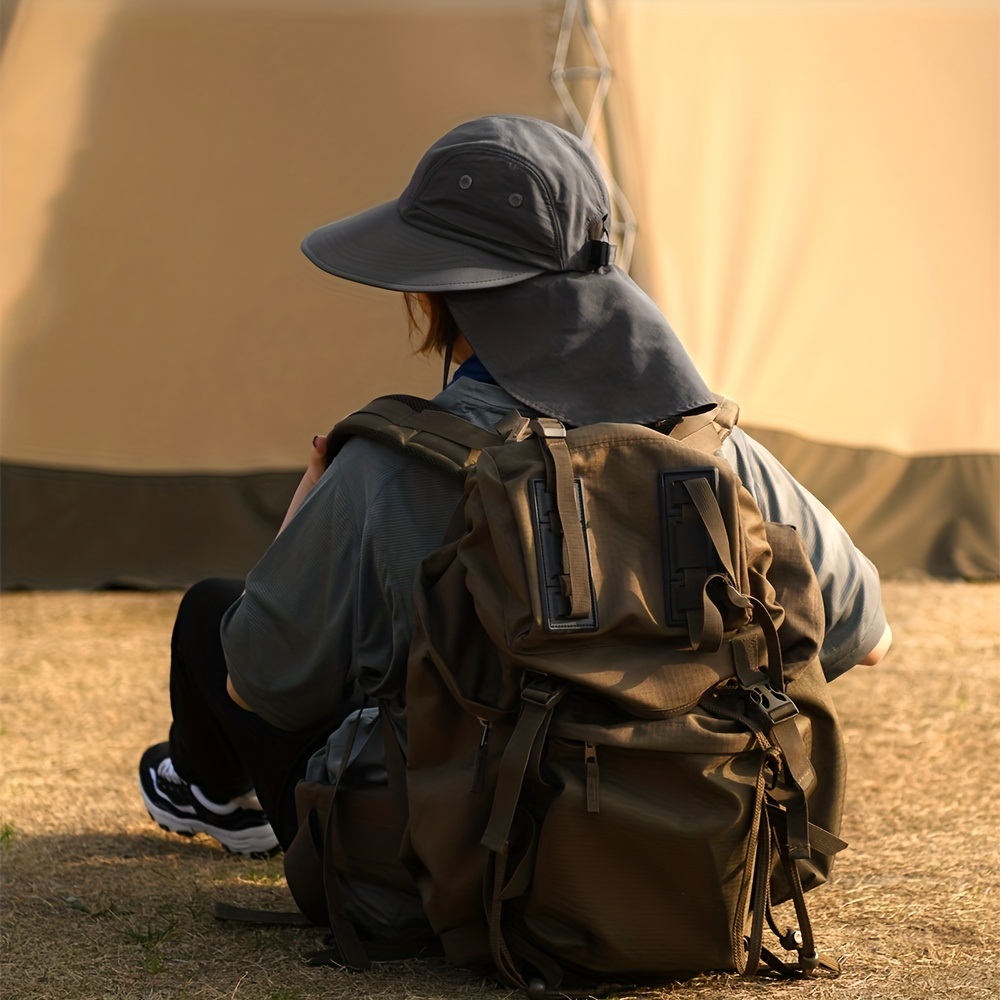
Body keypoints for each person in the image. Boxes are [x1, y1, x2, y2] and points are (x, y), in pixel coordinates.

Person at [139, 115, 891, 871]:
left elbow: (261, 681)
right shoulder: (719, 455)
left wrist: (311, 498)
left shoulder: (385, 470)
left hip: (452, 870)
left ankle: (207, 794)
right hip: (692, 861)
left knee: (213, 611)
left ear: (436, 296)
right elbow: (867, 643)